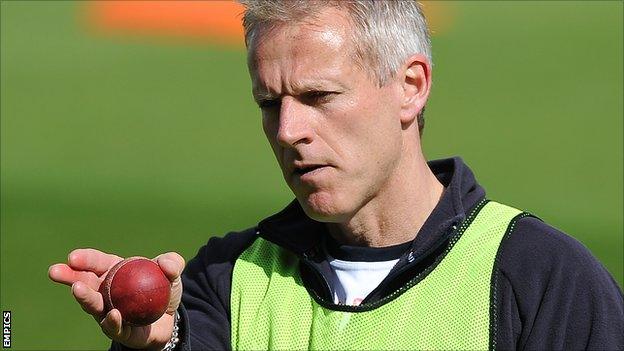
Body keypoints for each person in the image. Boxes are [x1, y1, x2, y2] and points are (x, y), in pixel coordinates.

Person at [49, 1, 623, 350]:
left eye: (318, 95)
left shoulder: (543, 282)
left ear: (411, 86)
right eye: (269, 103)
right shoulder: (226, 281)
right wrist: (160, 348)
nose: (289, 130)